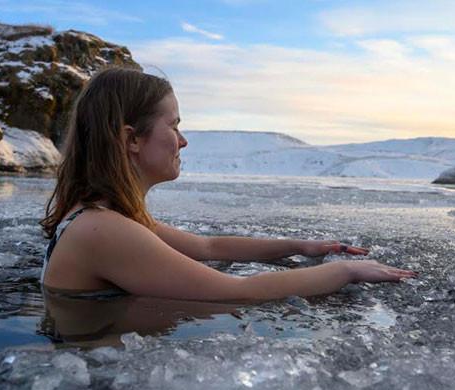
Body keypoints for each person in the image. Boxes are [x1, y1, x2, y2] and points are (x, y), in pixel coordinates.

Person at [40, 67, 416, 301]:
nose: (183, 141)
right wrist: (347, 271)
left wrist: (300, 246)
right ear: (132, 139)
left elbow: (208, 246)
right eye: (173, 126)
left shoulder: (104, 218)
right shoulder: (102, 230)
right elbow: (236, 293)